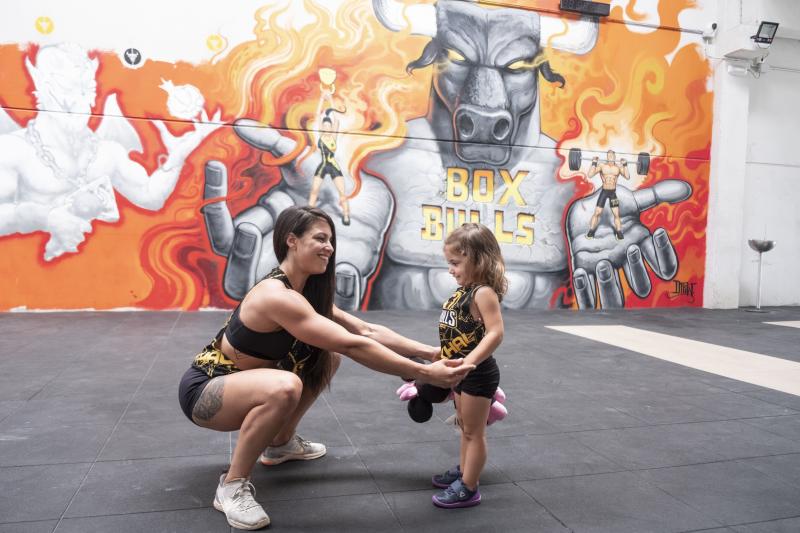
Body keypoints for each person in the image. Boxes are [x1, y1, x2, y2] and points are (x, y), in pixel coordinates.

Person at [178, 205, 473, 530]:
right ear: (291, 240)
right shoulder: (277, 296)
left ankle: (280, 444)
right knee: (285, 386)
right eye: (320, 238)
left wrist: (431, 353)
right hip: (205, 392)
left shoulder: (303, 294)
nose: (329, 248)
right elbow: (352, 343)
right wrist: (425, 374)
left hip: (243, 385)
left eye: (330, 240)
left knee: (325, 357)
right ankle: (231, 485)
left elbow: (365, 330)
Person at [429, 223, 506, 508]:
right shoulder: (464, 291)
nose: (451, 269)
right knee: (464, 427)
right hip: (462, 370)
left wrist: (470, 362)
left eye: (455, 263)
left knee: (474, 432)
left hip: (477, 372)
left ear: (477, 259)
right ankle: (464, 470)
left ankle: (469, 486)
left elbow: (495, 332)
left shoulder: (483, 292)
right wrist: (442, 355)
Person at [585, 149, 630, 240]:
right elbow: (590, 175)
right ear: (607, 157)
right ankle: (591, 231)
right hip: (604, 192)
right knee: (597, 212)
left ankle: (619, 232)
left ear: (614, 157)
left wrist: (625, 165)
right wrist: (594, 163)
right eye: (608, 156)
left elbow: (627, 177)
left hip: (613, 193)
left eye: (612, 156)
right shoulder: (602, 166)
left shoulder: (618, 167)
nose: (610, 157)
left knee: (616, 214)